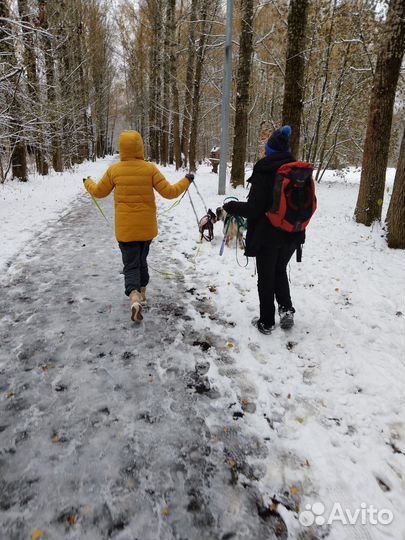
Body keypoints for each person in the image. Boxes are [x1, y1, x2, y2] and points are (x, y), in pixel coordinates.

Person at [83, 130, 193, 322]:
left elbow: (99, 192)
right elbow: (170, 192)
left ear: (122, 148)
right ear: (140, 147)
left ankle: (134, 296)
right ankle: (143, 293)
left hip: (126, 231)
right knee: (142, 261)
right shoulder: (149, 169)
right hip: (146, 229)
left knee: (131, 264)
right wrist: (187, 180)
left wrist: (88, 182)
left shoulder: (114, 171)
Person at [223, 125, 304, 335]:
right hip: (293, 234)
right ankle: (286, 309)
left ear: (269, 150)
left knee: (266, 278)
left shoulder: (265, 169)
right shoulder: (296, 170)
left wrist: (232, 207)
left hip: (268, 236)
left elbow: (254, 209)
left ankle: (267, 321)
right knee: (279, 271)